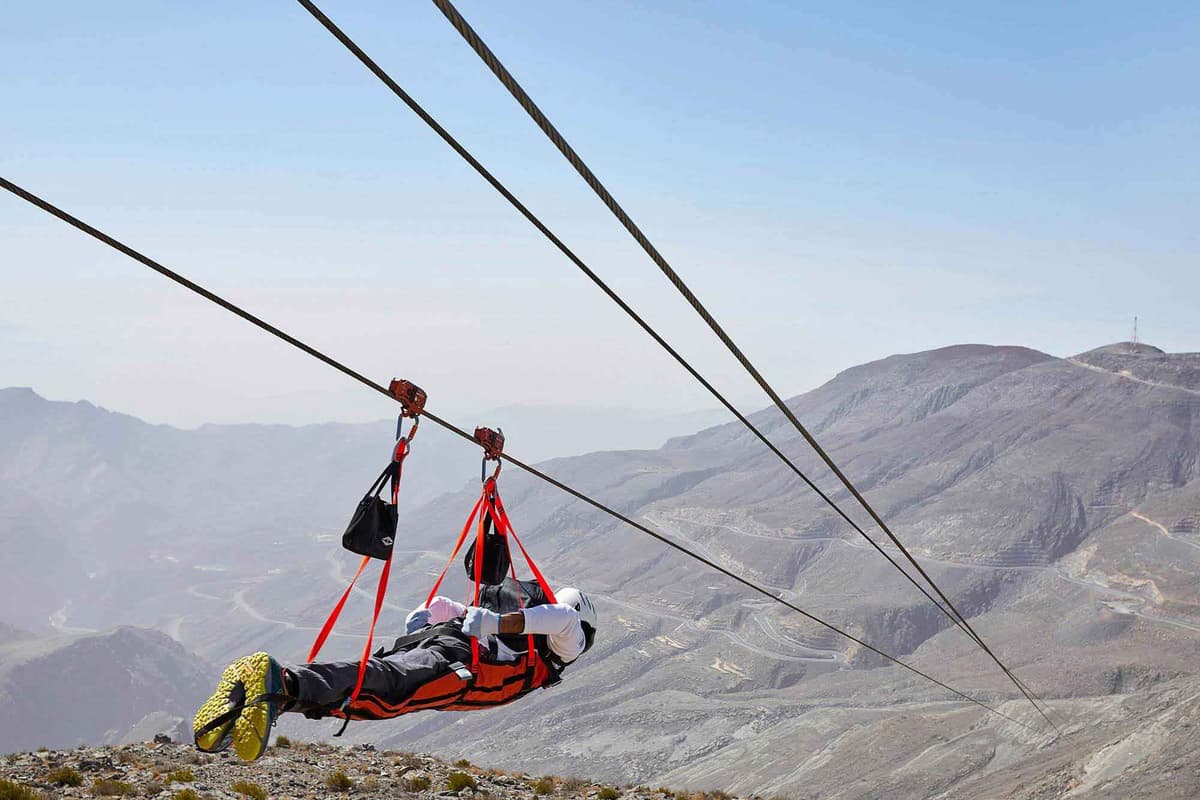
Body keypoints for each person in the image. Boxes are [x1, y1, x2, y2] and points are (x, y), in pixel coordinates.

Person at [193, 580, 597, 762]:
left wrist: (429, 622)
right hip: (462, 668)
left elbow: (445, 608)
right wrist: (491, 624)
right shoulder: (566, 641)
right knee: (383, 694)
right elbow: (562, 618)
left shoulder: (528, 634)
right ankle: (279, 683)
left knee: (378, 681)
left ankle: (259, 700)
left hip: (451, 649)